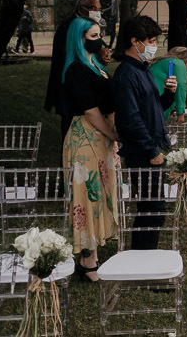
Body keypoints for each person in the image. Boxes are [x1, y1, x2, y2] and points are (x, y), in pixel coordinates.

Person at [112, 16, 177, 249]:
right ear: (134, 41)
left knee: (154, 207)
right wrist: (150, 149)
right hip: (143, 151)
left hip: (154, 144)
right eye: (150, 41)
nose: (153, 46)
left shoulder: (143, 69)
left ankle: (146, 255)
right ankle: (143, 256)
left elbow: (152, 108)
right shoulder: (126, 75)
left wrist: (168, 95)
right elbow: (130, 119)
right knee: (151, 209)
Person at [61, 18, 118, 282]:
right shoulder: (75, 70)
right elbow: (90, 110)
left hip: (100, 139)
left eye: (100, 34)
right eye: (93, 35)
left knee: (100, 194)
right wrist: (112, 133)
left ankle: (92, 256)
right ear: (80, 38)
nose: (99, 40)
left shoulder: (94, 65)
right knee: (86, 196)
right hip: (85, 138)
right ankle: (87, 260)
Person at [45, 0, 109, 139]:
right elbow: (73, 56)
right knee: (71, 135)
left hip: (86, 96)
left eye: (99, 9)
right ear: (80, 10)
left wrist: (100, 55)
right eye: (93, 8)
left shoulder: (87, 25)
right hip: (71, 94)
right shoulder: (69, 29)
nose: (97, 13)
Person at [150, 47, 187, 123]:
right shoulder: (179, 63)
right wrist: (180, 113)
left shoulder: (160, 62)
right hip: (159, 106)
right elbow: (181, 86)